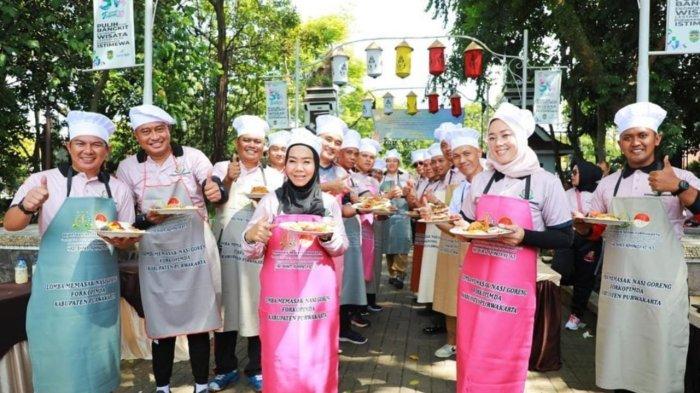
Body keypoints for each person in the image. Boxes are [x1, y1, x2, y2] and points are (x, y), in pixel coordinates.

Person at [573, 102, 700, 393]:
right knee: (620, 353)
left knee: (660, 354)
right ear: (620, 143)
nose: (635, 142)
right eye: (628, 137)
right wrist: (582, 227)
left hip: (661, 289)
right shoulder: (608, 185)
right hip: (620, 288)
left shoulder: (682, 177)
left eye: (642, 135)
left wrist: (678, 186)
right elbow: (595, 229)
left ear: (657, 139)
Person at [5, 111, 135, 393]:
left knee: (100, 363)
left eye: (96, 144)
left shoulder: (118, 189)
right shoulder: (42, 180)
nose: (88, 151)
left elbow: (126, 237)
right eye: (80, 143)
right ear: (68, 146)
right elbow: (11, 224)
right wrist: (28, 206)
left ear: (106, 150)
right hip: (58, 296)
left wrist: (124, 240)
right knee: (59, 365)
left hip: (100, 294)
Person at [457, 102, 573, 392]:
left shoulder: (546, 182)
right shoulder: (482, 180)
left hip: (512, 292)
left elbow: (564, 237)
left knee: (505, 353)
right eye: (492, 136)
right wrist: (457, 227)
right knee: (470, 350)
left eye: (505, 135)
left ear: (520, 137)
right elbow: (470, 225)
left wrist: (525, 236)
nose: (498, 143)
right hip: (475, 285)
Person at [116, 104, 224, 393]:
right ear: (137, 136)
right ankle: (162, 386)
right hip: (155, 249)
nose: (154, 137)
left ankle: (201, 384)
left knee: (199, 320)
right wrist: (145, 219)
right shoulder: (127, 168)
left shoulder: (193, 157)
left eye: (159, 129)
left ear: (169, 131)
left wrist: (216, 190)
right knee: (161, 321)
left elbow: (212, 185)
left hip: (195, 248)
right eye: (146, 131)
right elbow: (127, 219)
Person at [241, 128, 348, 393]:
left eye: (306, 161)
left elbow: (341, 246)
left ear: (315, 164)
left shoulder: (328, 203)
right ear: (285, 164)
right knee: (281, 357)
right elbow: (251, 250)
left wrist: (327, 237)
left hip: (317, 300)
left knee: (318, 358)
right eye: (293, 160)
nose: (299, 168)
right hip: (280, 302)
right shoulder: (271, 201)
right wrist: (253, 236)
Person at [208, 115, 284, 392]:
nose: (252, 145)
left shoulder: (274, 176)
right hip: (226, 250)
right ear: (237, 143)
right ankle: (225, 368)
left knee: (256, 305)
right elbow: (215, 196)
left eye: (257, 141)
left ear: (264, 147)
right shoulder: (221, 167)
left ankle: (257, 368)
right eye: (246, 140)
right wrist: (228, 178)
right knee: (226, 307)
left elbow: (281, 212)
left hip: (258, 253)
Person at [429, 128, 484, 358]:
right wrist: (434, 218)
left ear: (479, 152)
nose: (462, 161)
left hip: (491, 257)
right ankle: (458, 344)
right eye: (457, 156)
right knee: (460, 297)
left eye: (467, 154)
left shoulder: (494, 181)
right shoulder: (461, 188)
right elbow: (454, 226)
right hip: (465, 251)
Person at [552, 159, 603, 331]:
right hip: (569, 238)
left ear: (586, 175)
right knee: (561, 273)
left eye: (575, 172)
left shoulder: (598, 195)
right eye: (571, 172)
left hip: (592, 241)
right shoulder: (566, 195)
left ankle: (576, 315)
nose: (571, 176)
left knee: (585, 278)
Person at [336, 129, 372, 338]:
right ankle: (341, 328)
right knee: (342, 279)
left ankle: (345, 325)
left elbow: (362, 197)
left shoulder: (349, 176)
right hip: (337, 233)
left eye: (355, 153)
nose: (352, 157)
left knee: (349, 278)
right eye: (348, 152)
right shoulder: (333, 174)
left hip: (351, 230)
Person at [417, 142, 450, 334]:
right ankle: (437, 314)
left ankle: (442, 320)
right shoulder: (438, 181)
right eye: (434, 161)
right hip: (435, 231)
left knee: (443, 274)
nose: (436, 166)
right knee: (434, 272)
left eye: (440, 161)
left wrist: (435, 203)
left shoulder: (457, 178)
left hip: (448, 234)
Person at [356, 138, 384, 313]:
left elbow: (378, 206)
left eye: (371, 157)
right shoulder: (350, 177)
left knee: (369, 265)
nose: (368, 160)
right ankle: (356, 307)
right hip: (356, 229)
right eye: (364, 156)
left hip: (371, 229)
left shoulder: (374, 181)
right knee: (357, 266)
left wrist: (382, 212)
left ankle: (363, 303)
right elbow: (364, 200)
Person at [382, 149, 413, 289]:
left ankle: (400, 273)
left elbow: (412, 196)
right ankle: (392, 274)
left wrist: (407, 193)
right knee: (389, 246)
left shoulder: (406, 177)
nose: (392, 163)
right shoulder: (380, 178)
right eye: (389, 161)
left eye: (395, 161)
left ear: (399, 163)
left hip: (402, 215)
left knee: (402, 244)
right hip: (386, 216)